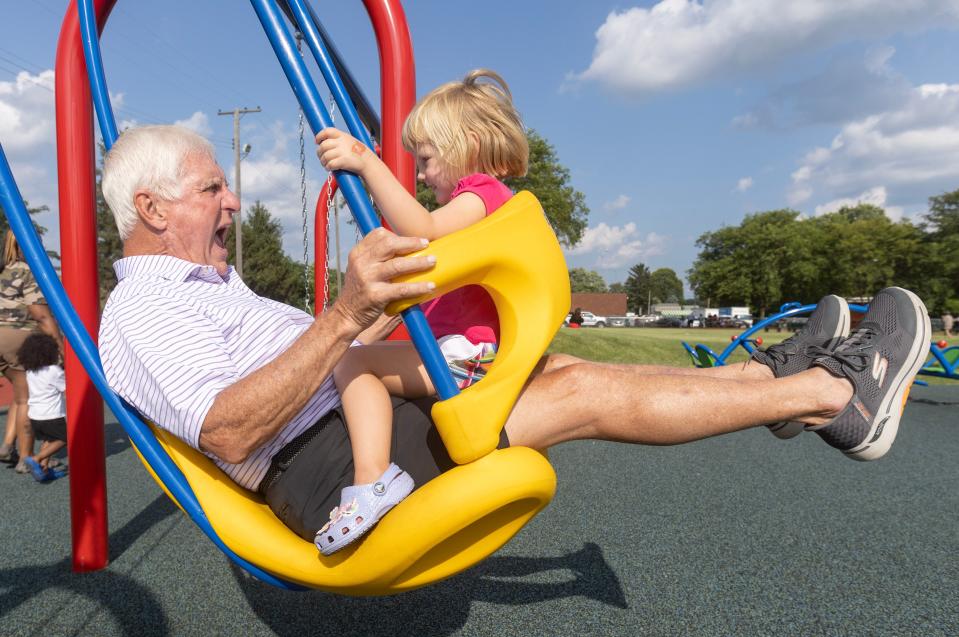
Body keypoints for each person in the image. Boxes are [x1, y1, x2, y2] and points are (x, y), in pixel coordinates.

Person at [97, 125, 931, 558]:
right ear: (153, 208)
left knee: (556, 364)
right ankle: (831, 396)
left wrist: (402, 304)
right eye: (214, 188)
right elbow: (231, 429)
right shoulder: (141, 311)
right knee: (568, 394)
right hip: (326, 466)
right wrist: (346, 315)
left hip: (356, 417)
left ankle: (767, 374)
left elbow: (341, 350)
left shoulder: (211, 286)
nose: (234, 202)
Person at [311, 69, 525, 553]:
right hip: (457, 347)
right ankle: (374, 474)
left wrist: (368, 163)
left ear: (468, 144)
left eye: (426, 160)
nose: (423, 174)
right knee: (357, 352)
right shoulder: (477, 209)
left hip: (468, 353)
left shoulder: (483, 194)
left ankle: (373, 482)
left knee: (350, 361)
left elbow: (423, 226)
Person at [0, 230, 62, 472]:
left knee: (19, 391)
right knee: (28, 398)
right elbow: (41, 315)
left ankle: (7, 445)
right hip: (16, 336)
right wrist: (59, 345)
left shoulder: (3, 269)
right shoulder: (27, 271)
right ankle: (26, 458)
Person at [16, 332, 67, 482]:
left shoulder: (31, 371)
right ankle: (36, 459)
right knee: (64, 438)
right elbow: (66, 388)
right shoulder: (54, 371)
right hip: (51, 414)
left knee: (49, 439)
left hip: (35, 415)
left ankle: (44, 470)